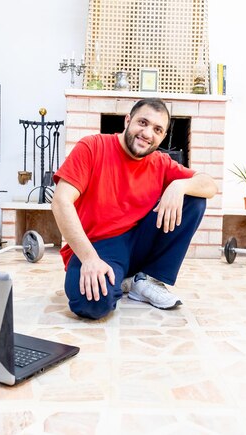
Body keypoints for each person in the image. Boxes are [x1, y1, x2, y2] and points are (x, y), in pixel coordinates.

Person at [52, 98, 217, 320]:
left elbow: (210, 185)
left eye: (157, 129)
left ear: (163, 136)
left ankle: (146, 279)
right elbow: (61, 201)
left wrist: (180, 184)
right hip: (99, 246)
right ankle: (124, 281)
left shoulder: (161, 162)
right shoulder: (92, 146)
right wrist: (89, 259)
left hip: (140, 239)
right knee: (92, 305)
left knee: (194, 200)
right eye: (143, 122)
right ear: (127, 120)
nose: (148, 133)